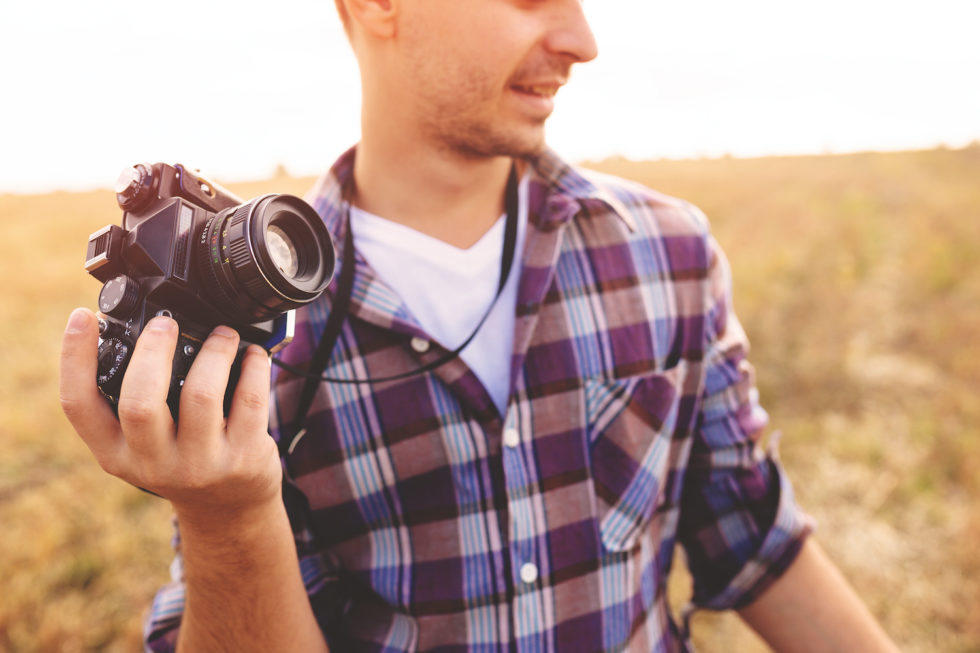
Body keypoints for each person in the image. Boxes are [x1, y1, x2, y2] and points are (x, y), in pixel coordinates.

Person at [59, 0, 900, 650]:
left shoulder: (669, 253)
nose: (582, 38)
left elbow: (756, 539)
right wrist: (229, 517)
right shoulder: (246, 341)